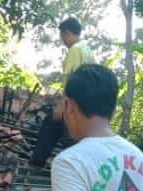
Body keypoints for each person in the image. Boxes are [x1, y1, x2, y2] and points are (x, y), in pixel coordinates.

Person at [30, 17, 94, 167]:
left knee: (55, 126)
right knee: (62, 131)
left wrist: (62, 105)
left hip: (73, 102)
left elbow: (70, 79)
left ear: (67, 33)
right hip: (85, 103)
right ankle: (39, 161)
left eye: (62, 36)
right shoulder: (87, 50)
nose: (62, 40)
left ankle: (37, 162)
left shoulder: (75, 49)